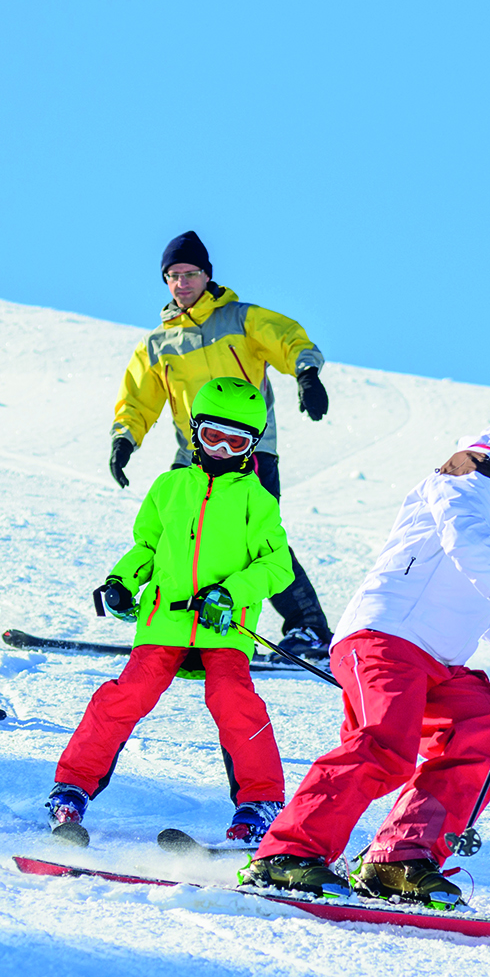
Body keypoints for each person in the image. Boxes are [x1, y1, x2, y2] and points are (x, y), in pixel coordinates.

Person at [240, 370, 490, 906]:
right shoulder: (475, 466)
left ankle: (401, 859)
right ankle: (286, 853)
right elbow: (466, 544)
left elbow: (475, 587)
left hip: (439, 655)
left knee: (485, 735)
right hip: (387, 636)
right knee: (386, 746)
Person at [49, 377, 298, 844]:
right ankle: (72, 789)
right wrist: (122, 581)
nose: (222, 449)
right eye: (212, 437)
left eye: (236, 441)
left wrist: (231, 592)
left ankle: (260, 802)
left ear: (252, 446)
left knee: (235, 702)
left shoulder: (256, 499)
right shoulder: (169, 487)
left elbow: (276, 566)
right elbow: (147, 545)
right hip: (164, 620)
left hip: (223, 626)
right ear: (194, 431)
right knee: (126, 696)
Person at [108, 229, 334, 661]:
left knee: (258, 540)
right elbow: (137, 399)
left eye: (190, 273)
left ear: (207, 275)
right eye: (173, 275)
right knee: (174, 536)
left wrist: (307, 374)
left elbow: (289, 339)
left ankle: (308, 629)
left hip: (250, 450)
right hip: (192, 454)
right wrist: (124, 440)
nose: (182, 283)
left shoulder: (240, 319)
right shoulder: (158, 345)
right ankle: (174, 623)